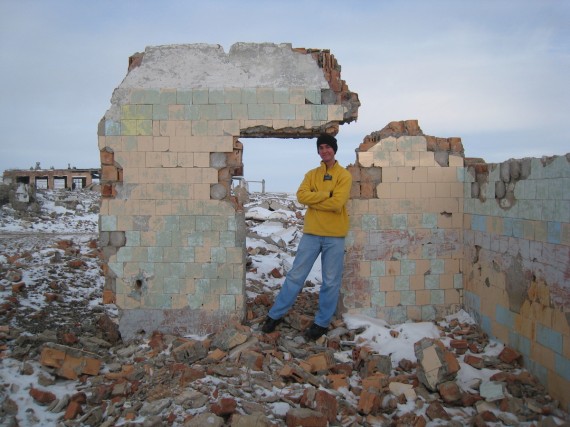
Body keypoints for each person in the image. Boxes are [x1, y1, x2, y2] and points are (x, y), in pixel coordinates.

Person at [262, 134, 352, 340]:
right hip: (311, 233)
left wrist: (317, 198)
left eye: (328, 147)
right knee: (296, 276)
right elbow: (302, 196)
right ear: (318, 151)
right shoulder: (311, 174)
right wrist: (326, 194)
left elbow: (337, 203)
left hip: (334, 236)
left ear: (334, 149)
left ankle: (321, 323)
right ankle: (275, 315)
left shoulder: (344, 175)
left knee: (330, 281)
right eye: (321, 147)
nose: (324, 151)